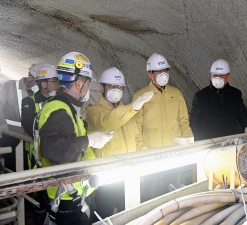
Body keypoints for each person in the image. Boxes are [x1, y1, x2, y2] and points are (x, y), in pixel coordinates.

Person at [38, 52, 113, 225]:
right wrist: (90, 140)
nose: (87, 88)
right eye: (87, 83)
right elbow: (53, 149)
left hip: (70, 191)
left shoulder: (65, 108)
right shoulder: (60, 110)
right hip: (66, 195)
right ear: (79, 83)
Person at [86, 67, 154, 219]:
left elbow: (137, 139)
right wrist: (134, 107)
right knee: (104, 216)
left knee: (130, 214)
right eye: (112, 87)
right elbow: (107, 122)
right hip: (106, 177)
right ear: (102, 88)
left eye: (119, 87)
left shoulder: (129, 111)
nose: (116, 90)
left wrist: (147, 155)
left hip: (129, 174)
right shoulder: (94, 111)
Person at [132, 53, 194, 202]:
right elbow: (135, 129)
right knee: (150, 198)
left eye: (165, 71)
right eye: (159, 72)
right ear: (150, 74)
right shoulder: (141, 96)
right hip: (151, 158)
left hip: (174, 156)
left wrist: (190, 145)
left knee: (173, 196)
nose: (163, 74)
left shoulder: (177, 94)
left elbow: (184, 121)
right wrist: (143, 153)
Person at [0, 63, 40, 171]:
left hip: (28, 139)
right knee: (11, 167)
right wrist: (2, 123)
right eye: (39, 81)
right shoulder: (10, 85)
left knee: (26, 167)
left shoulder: (37, 93)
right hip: (9, 135)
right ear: (30, 77)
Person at [189, 59, 247, 141]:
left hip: (231, 139)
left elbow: (242, 113)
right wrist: (198, 139)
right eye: (215, 75)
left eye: (221, 76)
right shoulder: (201, 96)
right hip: (209, 141)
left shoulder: (235, 94)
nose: (218, 78)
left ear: (228, 77)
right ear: (210, 76)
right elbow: (194, 121)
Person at [21, 64, 59, 170]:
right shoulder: (29, 101)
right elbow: (29, 126)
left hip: (54, 150)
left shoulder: (57, 101)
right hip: (36, 155)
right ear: (43, 84)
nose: (57, 84)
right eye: (54, 81)